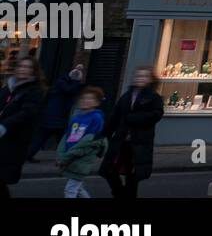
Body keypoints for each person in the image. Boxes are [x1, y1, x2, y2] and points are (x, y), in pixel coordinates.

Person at [98, 66, 164, 199]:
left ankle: (128, 195)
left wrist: (134, 118)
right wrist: (104, 134)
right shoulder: (126, 96)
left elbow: (156, 115)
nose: (140, 78)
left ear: (151, 80)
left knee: (132, 175)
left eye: (144, 76)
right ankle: (119, 193)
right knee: (108, 170)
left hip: (138, 142)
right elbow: (115, 116)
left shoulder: (153, 97)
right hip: (121, 140)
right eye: (138, 76)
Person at [0, 57, 44, 197]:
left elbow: (27, 113)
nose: (23, 69)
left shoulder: (34, 91)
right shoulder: (9, 87)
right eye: (21, 66)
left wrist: (4, 125)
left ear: (33, 71)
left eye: (28, 67)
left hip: (14, 142)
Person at [56, 86, 106, 198]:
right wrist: (62, 154)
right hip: (71, 157)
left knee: (70, 190)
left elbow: (91, 141)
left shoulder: (96, 118)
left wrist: (71, 154)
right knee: (78, 188)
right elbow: (67, 137)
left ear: (97, 103)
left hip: (82, 158)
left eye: (90, 99)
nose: (85, 101)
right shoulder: (76, 118)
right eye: (83, 98)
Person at [29, 63, 85, 160]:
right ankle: (67, 156)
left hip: (56, 116)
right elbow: (69, 90)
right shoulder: (64, 83)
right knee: (57, 138)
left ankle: (29, 155)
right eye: (77, 69)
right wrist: (78, 82)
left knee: (46, 138)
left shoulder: (63, 82)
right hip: (54, 117)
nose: (77, 71)